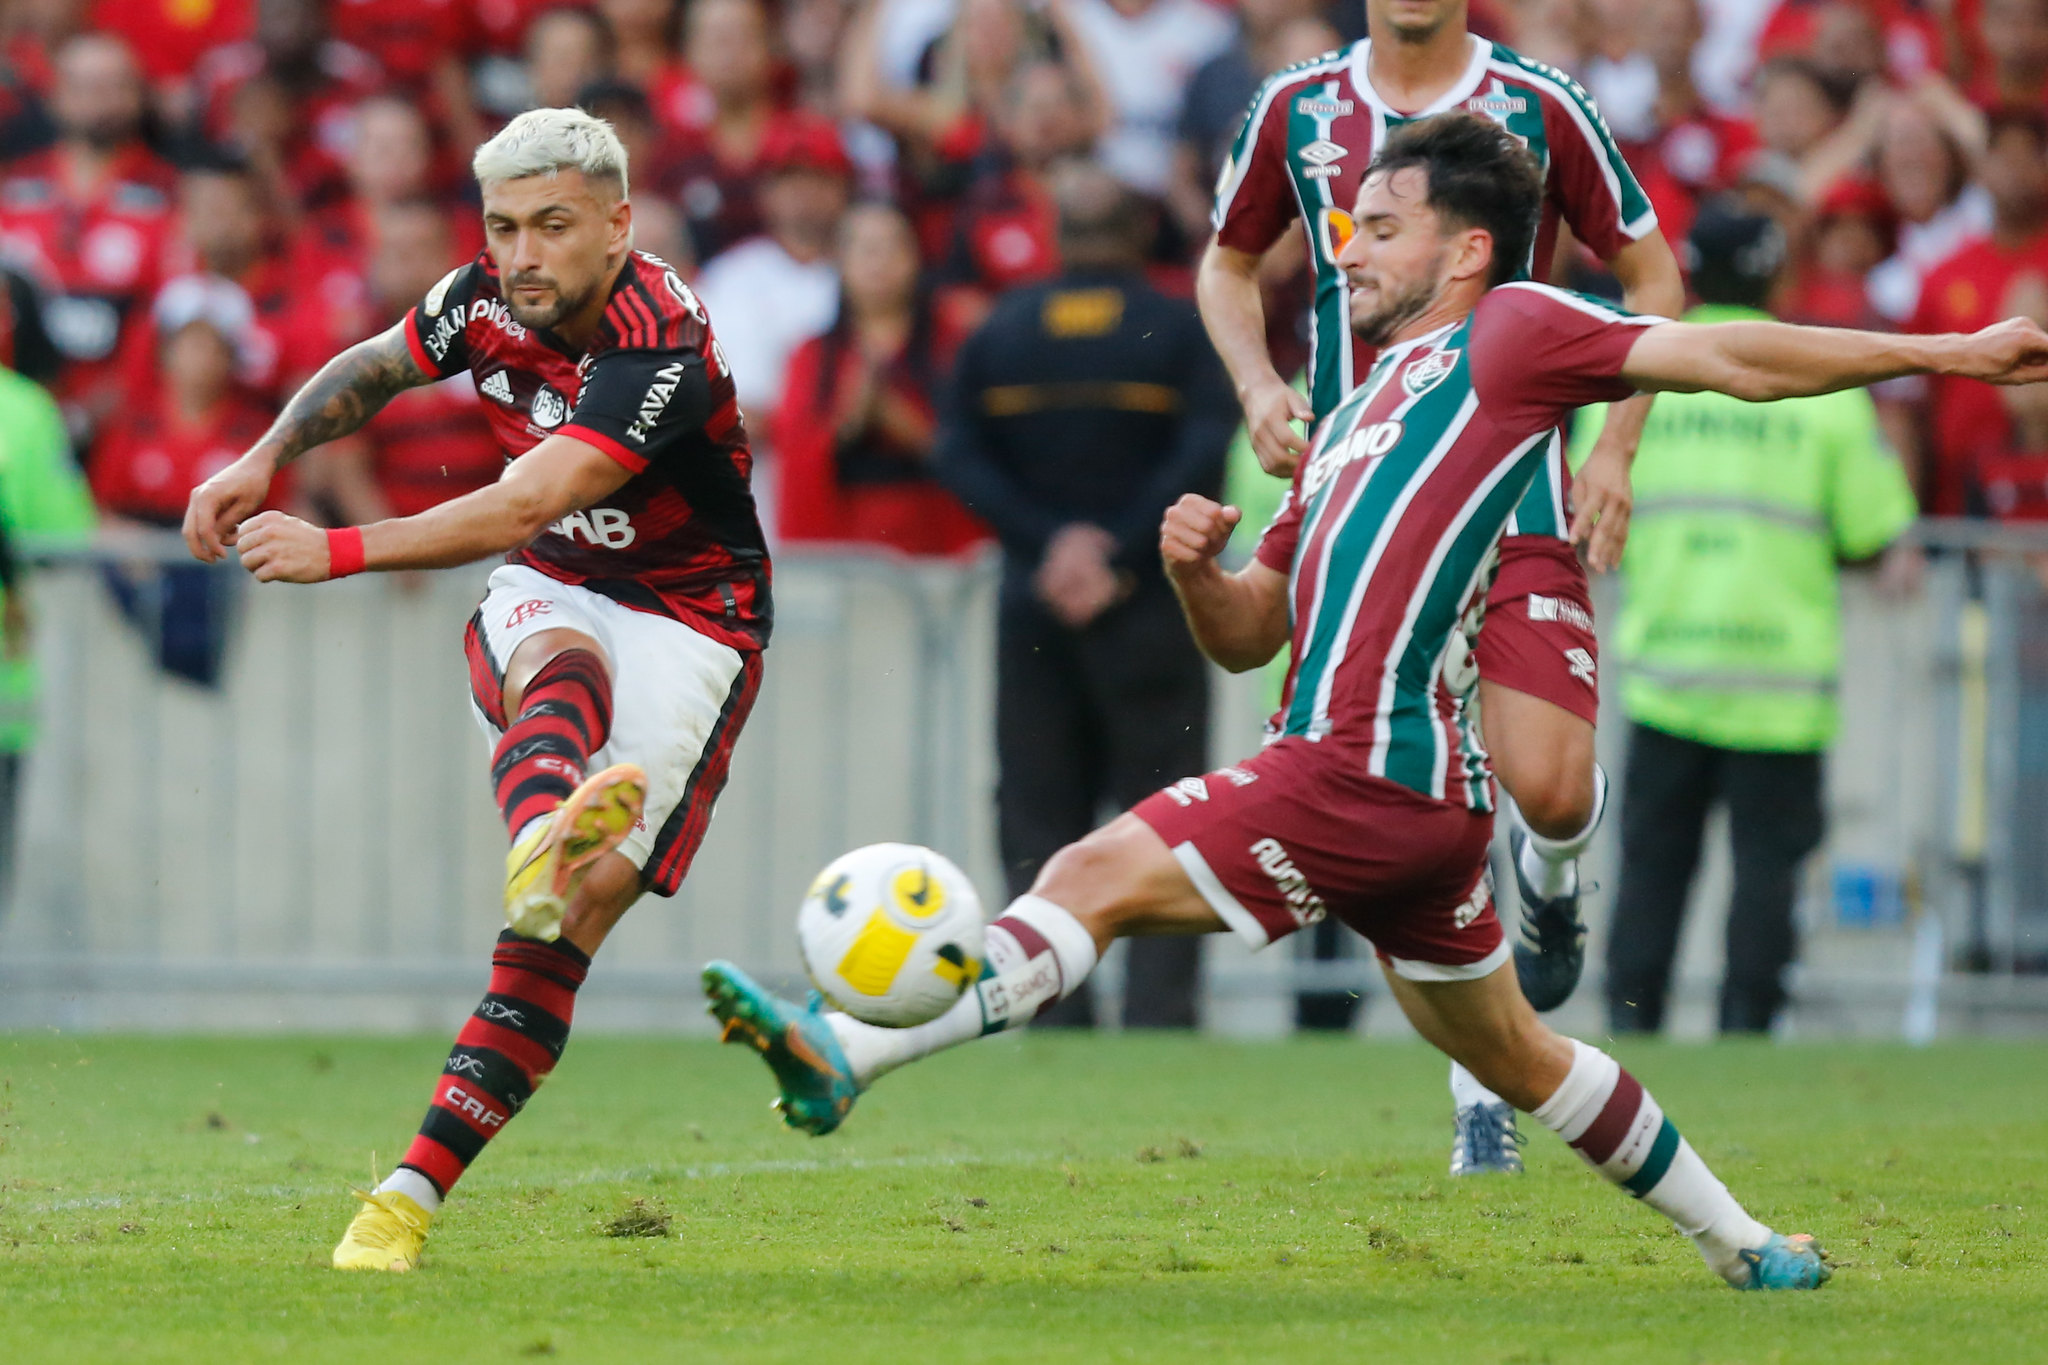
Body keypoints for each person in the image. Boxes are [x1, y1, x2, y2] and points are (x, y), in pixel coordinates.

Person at [703, 110, 2048, 1291]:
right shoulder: (1345, 422)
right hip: (1410, 801)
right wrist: (1194, 572)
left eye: (1383, 226)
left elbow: (1727, 359)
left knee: (1092, 871)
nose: (1346, 248)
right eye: (1347, 223)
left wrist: (1952, 352)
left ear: (1467, 250)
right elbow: (1247, 635)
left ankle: (842, 1053)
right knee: (1521, 1054)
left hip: (1358, 774)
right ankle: (1746, 1243)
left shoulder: (1513, 333)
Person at [181, 107, 771, 1272]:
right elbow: (377, 365)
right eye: (503, 227)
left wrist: (336, 550)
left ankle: (407, 1193)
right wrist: (260, 456)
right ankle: (544, 823)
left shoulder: (662, 341)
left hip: (693, 612)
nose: (522, 254)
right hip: (557, 582)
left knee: (570, 917)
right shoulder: (485, 296)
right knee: (559, 666)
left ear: (618, 224)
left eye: (552, 226)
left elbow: (517, 502)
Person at [1193, 0, 1685, 1172]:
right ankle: (1481, 1092)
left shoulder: (1540, 102)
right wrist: (1259, 386)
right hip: (1359, 482)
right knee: (1418, 762)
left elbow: (1653, 276)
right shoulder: (1292, 106)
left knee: (1549, 792)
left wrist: (1613, 448)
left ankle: (1550, 871)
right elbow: (1223, 263)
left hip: (1513, 483)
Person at [1583, 200, 1920, 1035]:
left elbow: (1580, 497)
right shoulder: (1821, 388)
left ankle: (1633, 1033)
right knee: (1767, 881)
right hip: (1781, 686)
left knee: (1653, 874)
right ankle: (1748, 1041)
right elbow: (1878, 531)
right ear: (1776, 273)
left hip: (1667, 672)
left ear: (1690, 269)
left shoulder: (1641, 371)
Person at [934, 161, 1235, 1028]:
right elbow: (1204, 447)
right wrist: (1118, 549)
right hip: (1152, 606)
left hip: (1035, 605)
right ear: (1141, 236)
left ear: (1058, 235)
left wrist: (1046, 545)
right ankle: (1161, 1012)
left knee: (1039, 810)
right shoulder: (1177, 331)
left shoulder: (1003, 331)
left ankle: (1051, 1006)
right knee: (1167, 815)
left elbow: (957, 452)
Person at [776, 201, 987, 555]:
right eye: (867, 249)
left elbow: (979, 449)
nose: (881, 262)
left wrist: (905, 423)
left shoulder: (955, 343)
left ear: (917, 258)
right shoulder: (811, 356)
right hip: (848, 544)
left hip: (938, 537)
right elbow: (796, 456)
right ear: (839, 262)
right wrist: (850, 422)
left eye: (894, 248)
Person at [0, 32, 175, 438]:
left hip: (126, 428)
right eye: (85, 86)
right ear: (54, 95)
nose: (101, 101)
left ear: (139, 96)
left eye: (116, 86)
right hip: (16, 421)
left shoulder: (171, 194)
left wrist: (87, 417)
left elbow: (166, 327)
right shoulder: (14, 187)